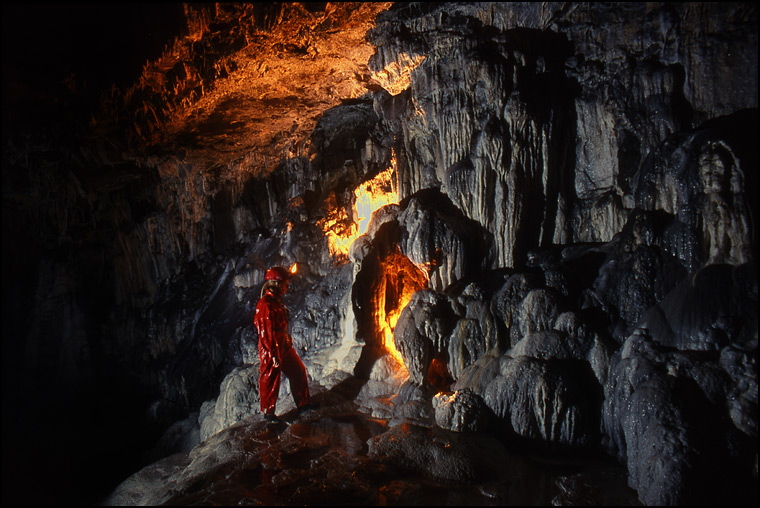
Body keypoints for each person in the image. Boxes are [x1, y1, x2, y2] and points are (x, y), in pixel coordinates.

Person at [253, 266, 317, 422]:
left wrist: (286, 342)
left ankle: (303, 404)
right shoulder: (265, 304)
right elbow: (265, 333)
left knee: (298, 370)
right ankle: (269, 414)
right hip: (271, 348)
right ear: (277, 284)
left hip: (283, 346)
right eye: (285, 284)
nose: (287, 287)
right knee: (270, 378)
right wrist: (272, 353)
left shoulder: (275, 302)